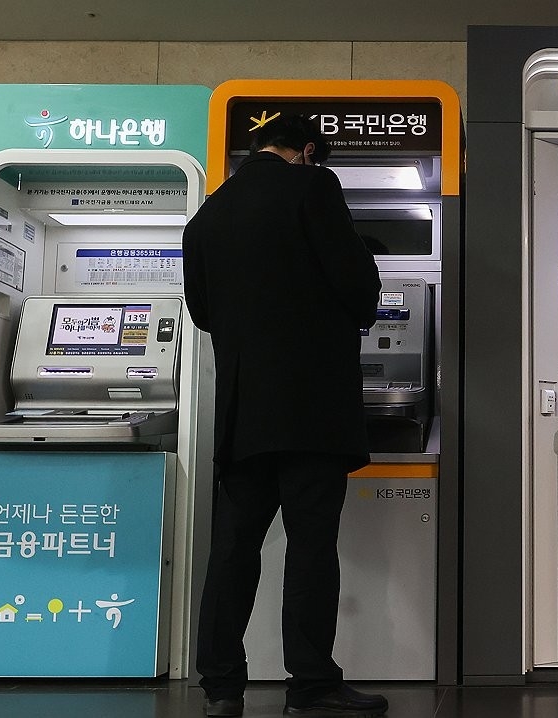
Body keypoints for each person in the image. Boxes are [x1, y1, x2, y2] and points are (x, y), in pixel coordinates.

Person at [182, 114, 385, 717]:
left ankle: (221, 687)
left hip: (244, 410)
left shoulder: (208, 214)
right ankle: (311, 684)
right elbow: (356, 283)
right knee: (311, 546)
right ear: (308, 151)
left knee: (233, 550)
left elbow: (203, 312)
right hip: (311, 408)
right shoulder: (313, 185)